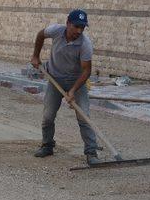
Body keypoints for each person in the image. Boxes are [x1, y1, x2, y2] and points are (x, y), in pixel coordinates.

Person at [30, 9, 100, 165]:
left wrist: (73, 91)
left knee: (84, 116)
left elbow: (86, 70)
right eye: (76, 26)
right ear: (68, 23)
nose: (79, 31)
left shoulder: (85, 44)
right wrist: (36, 55)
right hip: (55, 79)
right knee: (48, 116)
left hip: (77, 82)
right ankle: (47, 145)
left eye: (82, 27)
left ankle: (91, 153)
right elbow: (40, 35)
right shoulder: (56, 31)